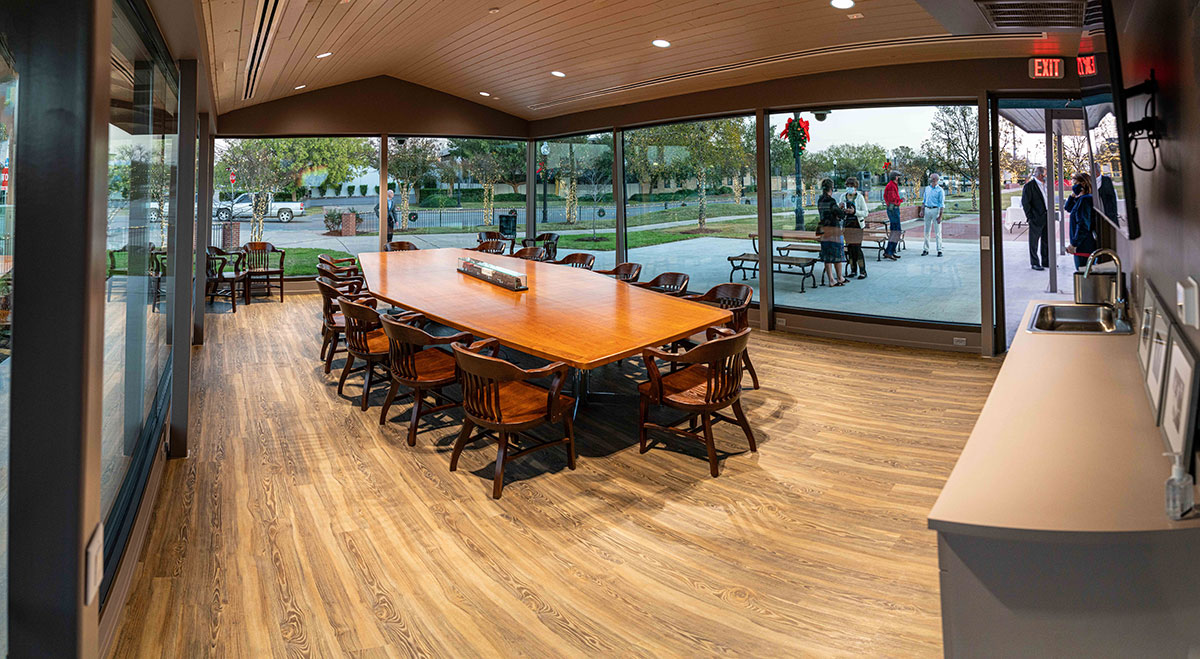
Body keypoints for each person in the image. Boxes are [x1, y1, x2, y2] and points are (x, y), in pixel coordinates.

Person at [816, 178, 847, 286]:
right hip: (834, 230)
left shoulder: (820, 200)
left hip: (824, 229)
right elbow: (840, 214)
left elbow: (827, 213)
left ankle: (831, 280)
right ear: (831, 188)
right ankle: (840, 277)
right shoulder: (831, 201)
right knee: (837, 254)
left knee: (827, 255)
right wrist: (841, 209)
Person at [1065, 172, 1097, 268]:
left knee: (1082, 271)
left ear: (1082, 184)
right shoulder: (1082, 199)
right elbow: (1068, 207)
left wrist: (1074, 244)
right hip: (1082, 246)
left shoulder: (1085, 200)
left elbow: (1083, 224)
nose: (1073, 186)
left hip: (1083, 247)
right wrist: (1074, 194)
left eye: (1075, 184)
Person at [1021, 166, 1049, 271]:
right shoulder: (1029, 186)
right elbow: (1026, 203)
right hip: (1036, 218)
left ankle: (1046, 262)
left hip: (1047, 216)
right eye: (1045, 174)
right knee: (1034, 242)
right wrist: (1030, 217)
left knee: (1046, 241)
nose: (1046, 176)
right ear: (1041, 175)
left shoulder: (1046, 185)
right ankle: (1035, 263)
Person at [841, 176, 869, 279]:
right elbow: (840, 213)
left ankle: (863, 271)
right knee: (850, 248)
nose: (849, 188)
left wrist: (854, 212)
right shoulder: (843, 197)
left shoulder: (859, 197)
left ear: (856, 187)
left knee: (857, 248)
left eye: (851, 186)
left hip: (857, 225)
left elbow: (865, 212)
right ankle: (853, 270)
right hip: (847, 225)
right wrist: (842, 210)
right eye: (848, 186)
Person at [921, 173, 945, 257]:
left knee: (937, 231)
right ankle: (926, 249)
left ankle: (939, 250)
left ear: (935, 179)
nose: (930, 179)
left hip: (935, 210)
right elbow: (924, 200)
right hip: (927, 210)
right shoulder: (927, 189)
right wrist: (922, 210)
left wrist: (940, 216)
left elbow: (941, 204)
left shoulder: (940, 190)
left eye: (931, 178)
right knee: (926, 231)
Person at [882, 171, 905, 260]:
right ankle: (890, 252)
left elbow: (887, 197)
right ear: (895, 177)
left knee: (894, 231)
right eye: (898, 176)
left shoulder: (891, 185)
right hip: (893, 209)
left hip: (892, 209)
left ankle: (890, 251)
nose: (899, 178)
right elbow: (892, 199)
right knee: (896, 231)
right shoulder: (891, 185)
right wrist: (901, 200)